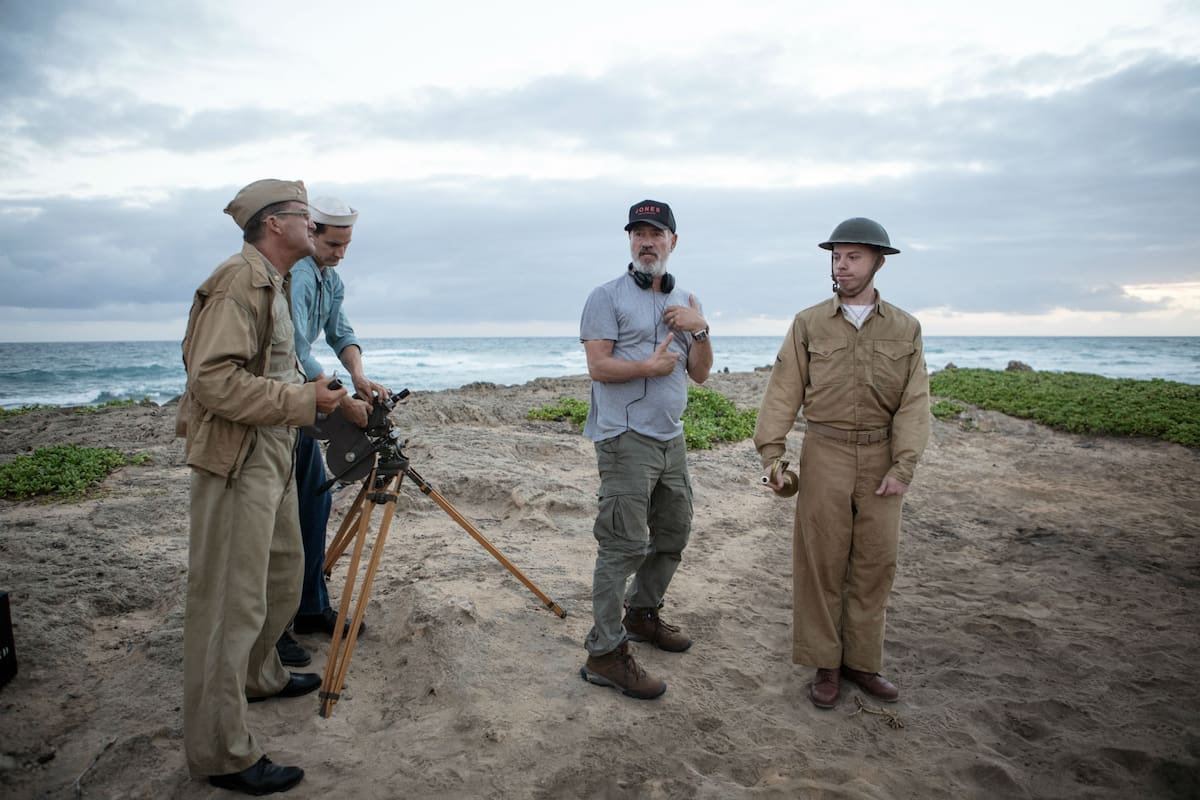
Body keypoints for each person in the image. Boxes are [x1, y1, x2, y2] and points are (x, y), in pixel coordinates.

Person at [177, 179, 347, 795]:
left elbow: (277, 368)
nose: (315, 223)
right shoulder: (238, 282)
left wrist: (317, 392)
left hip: (272, 453)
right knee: (228, 604)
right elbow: (212, 382)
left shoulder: (275, 284)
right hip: (237, 461)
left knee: (281, 573)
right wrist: (303, 399)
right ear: (276, 224)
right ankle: (223, 753)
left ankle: (260, 676)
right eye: (306, 215)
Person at [753, 217, 930, 710]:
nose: (842, 265)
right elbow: (783, 392)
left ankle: (862, 663)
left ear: (878, 262)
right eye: (836, 256)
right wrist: (774, 455)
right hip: (825, 451)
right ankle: (826, 664)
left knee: (875, 564)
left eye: (853, 256)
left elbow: (915, 404)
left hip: (881, 458)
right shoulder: (808, 323)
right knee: (821, 564)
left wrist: (903, 466)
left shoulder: (906, 328)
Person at [577, 199, 713, 700]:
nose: (646, 241)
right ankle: (605, 652)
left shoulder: (686, 300)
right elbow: (598, 367)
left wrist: (700, 329)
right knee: (623, 545)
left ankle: (641, 614)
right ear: (630, 242)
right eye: (638, 233)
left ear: (672, 242)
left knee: (673, 533)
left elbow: (700, 372)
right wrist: (648, 369)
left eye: (655, 233)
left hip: (670, 437)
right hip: (624, 438)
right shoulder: (605, 297)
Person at [274, 195, 389, 668]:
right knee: (280, 521)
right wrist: (344, 400)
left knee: (315, 503)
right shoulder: (298, 274)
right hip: (286, 402)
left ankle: (310, 607)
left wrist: (358, 377)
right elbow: (297, 349)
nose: (340, 253)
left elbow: (341, 333)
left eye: (347, 245)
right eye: (334, 244)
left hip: (309, 400)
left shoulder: (330, 279)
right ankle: (274, 627)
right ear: (311, 232)